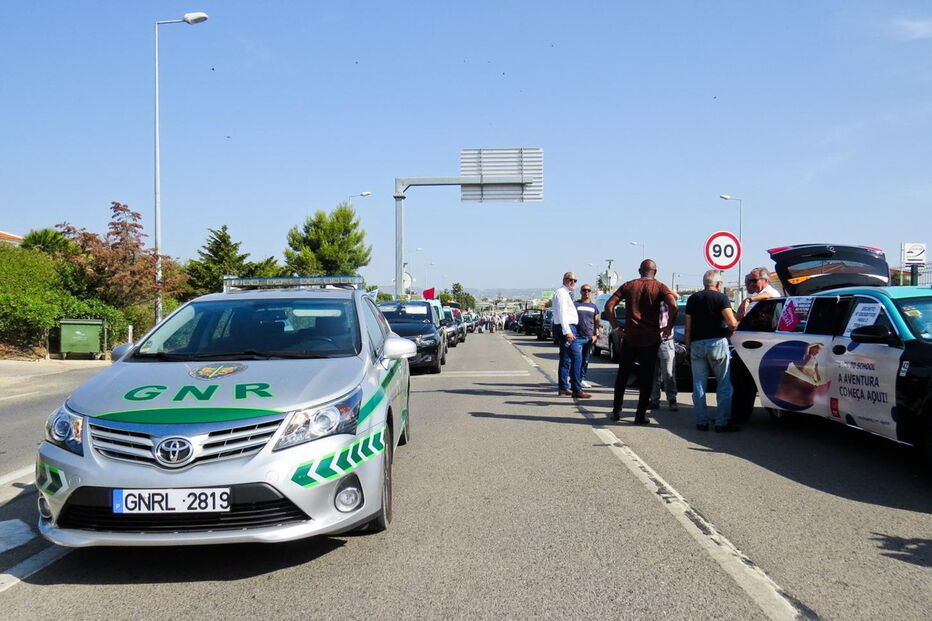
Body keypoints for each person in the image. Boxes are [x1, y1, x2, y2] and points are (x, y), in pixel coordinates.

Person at [605, 260, 677, 424]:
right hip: (651, 339)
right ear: (655, 272)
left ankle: (616, 411)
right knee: (647, 377)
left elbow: (609, 306)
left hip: (630, 338)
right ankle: (639, 415)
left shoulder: (629, 285)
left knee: (622, 375)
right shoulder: (660, 287)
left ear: (639, 270)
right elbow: (674, 306)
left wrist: (616, 328)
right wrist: (668, 327)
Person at [685, 269, 739, 432]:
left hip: (696, 345)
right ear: (718, 284)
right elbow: (732, 323)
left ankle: (702, 421)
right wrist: (728, 331)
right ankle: (722, 422)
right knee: (723, 384)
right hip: (717, 343)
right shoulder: (721, 298)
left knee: (699, 384)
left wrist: (688, 347)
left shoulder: (693, 299)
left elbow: (688, 327)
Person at [551, 271, 591, 398]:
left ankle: (563, 387)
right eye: (570, 280)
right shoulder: (562, 293)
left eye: (575, 280)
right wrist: (567, 331)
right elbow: (562, 314)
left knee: (565, 358)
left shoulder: (565, 293)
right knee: (577, 357)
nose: (573, 282)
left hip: (567, 328)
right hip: (567, 328)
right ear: (564, 280)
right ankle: (576, 388)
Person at [649, 293, 680, 411]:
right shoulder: (647, 303)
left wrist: (664, 292)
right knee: (653, 373)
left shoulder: (666, 301)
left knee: (668, 373)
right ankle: (654, 399)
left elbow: (676, 296)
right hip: (650, 341)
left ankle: (672, 399)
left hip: (665, 341)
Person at [574, 284, 600, 389]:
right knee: (576, 359)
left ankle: (582, 379)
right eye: (584, 290)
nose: (586, 292)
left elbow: (597, 321)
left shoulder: (593, 307)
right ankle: (574, 379)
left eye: (588, 290)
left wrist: (596, 334)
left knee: (585, 360)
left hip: (589, 337)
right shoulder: (575, 304)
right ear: (581, 292)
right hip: (577, 337)